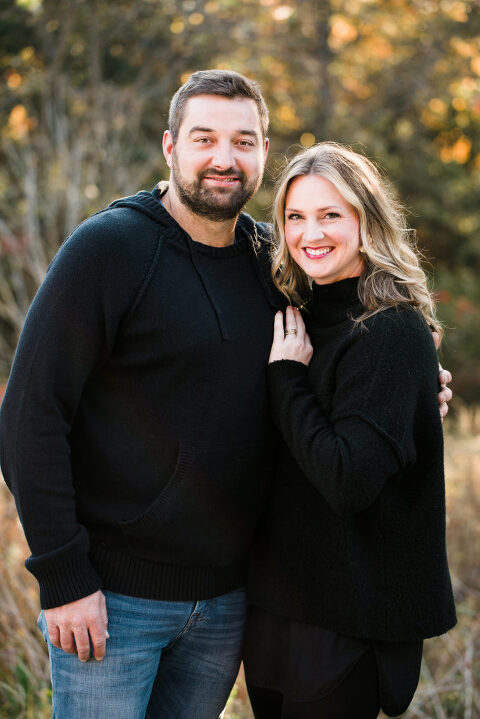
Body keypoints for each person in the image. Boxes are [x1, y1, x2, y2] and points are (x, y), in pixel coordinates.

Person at [0, 71, 451, 719]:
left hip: (229, 603)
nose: (224, 158)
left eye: (243, 141)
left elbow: (346, 353)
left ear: (264, 151)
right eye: (204, 138)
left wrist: (416, 388)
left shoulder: (273, 262)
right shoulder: (109, 249)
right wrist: (64, 577)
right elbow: (29, 418)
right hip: (114, 600)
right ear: (170, 146)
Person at [244, 142, 457, 719]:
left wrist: (288, 379)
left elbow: (347, 480)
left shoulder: (392, 331)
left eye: (330, 214)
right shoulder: (297, 312)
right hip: (276, 607)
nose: (310, 233)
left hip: (348, 620)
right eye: (295, 216)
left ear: (367, 220)